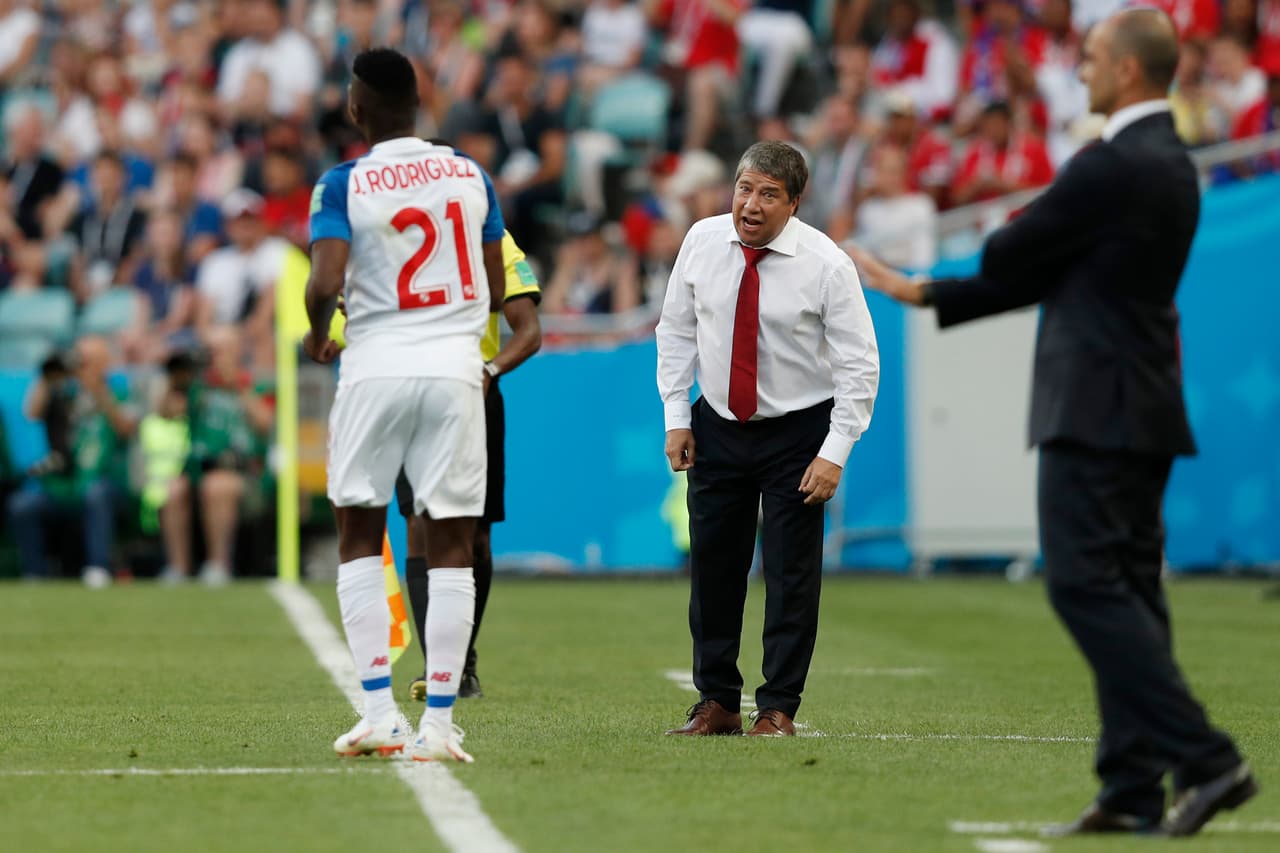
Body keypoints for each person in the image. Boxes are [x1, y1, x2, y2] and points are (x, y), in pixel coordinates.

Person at [850, 9, 1257, 838]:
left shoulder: (1110, 164)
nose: (1083, 67)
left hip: (1093, 406)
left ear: (1133, 72)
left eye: (1097, 56)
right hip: (1142, 403)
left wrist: (963, 270)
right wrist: (921, 291)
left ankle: (1207, 758)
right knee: (1132, 590)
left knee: (1082, 584)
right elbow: (1056, 274)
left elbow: (1013, 253)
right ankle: (1134, 785)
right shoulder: (1167, 164)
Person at [303, 48, 505, 763]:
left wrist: (314, 329)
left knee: (360, 528)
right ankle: (442, 723)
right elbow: (491, 279)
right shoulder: (471, 175)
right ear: (418, 106)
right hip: (455, 368)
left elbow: (325, 277)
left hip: (377, 364)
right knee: (452, 540)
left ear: (357, 108)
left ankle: (381, 711)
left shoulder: (343, 182)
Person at [656, 141, 879, 738]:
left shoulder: (827, 264)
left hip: (798, 434)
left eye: (768, 195)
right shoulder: (702, 242)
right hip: (718, 425)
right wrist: (678, 414)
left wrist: (834, 453)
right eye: (744, 189)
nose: (750, 206)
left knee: (789, 576)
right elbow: (675, 329)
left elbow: (860, 364)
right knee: (713, 572)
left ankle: (778, 707)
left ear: (795, 203)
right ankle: (717, 702)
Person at [399, 224, 542, 703]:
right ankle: (439, 665)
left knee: (474, 533)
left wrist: (489, 369)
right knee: (418, 524)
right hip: (408, 391)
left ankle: (463, 657)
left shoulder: (492, 238)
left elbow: (529, 331)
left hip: (471, 396)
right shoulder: (397, 229)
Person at [6, 337, 138, 586]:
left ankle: (98, 568)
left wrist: (98, 390)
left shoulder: (120, 391)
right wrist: (48, 375)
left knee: (97, 495)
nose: (81, 366)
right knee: (22, 505)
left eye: (88, 360)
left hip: (106, 483)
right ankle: (35, 573)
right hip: (63, 485)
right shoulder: (63, 392)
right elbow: (31, 413)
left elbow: (126, 428)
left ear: (104, 363)